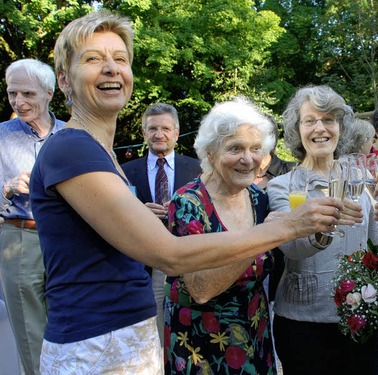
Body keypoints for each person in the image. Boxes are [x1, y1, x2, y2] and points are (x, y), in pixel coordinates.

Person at [29, 11, 341, 373]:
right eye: (93, 59)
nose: (112, 69)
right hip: (97, 344)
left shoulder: (99, 153)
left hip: (126, 338)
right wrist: (285, 227)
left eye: (121, 59)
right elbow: (169, 255)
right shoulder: (72, 149)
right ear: (64, 79)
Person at [267, 85, 378, 375]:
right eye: (310, 121)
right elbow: (292, 246)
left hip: (360, 318)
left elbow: (376, 248)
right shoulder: (282, 186)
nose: (320, 128)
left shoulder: (362, 179)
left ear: (340, 128)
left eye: (329, 119)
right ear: (297, 130)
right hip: (302, 325)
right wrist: (325, 225)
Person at [164, 98, 277, 374]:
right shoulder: (188, 203)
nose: (248, 159)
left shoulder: (258, 198)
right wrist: (263, 236)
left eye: (255, 149)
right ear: (210, 154)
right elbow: (201, 289)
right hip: (201, 346)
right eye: (235, 148)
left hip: (255, 336)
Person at [0, 58, 66, 374]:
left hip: (67, 240)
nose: (18, 102)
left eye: (27, 93)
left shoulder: (73, 136)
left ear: (49, 93)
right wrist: (7, 188)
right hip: (20, 236)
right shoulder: (0, 136)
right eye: (13, 93)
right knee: (29, 329)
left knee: (68, 322)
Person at [122, 102, 201, 344]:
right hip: (145, 263)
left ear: (176, 133)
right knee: (150, 332)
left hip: (188, 260)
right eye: (153, 128)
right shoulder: (124, 172)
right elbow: (117, 218)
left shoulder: (198, 169)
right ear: (144, 133)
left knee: (188, 327)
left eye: (166, 128)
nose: (159, 134)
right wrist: (137, 211)